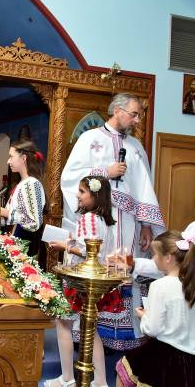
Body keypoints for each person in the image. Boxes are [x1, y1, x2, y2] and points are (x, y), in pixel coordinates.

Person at [61, 92, 165, 349]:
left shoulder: (136, 147)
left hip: (128, 224)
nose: (137, 120)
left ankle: (120, 338)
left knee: (124, 266)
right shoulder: (89, 139)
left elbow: (144, 187)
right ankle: (89, 335)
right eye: (134, 114)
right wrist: (104, 172)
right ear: (118, 111)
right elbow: (70, 177)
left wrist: (146, 225)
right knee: (97, 266)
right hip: (100, 223)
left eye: (139, 115)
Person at [115, 230, 195, 387]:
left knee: (123, 369)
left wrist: (144, 317)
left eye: (155, 255)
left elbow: (152, 329)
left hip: (166, 357)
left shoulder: (159, 286)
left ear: (168, 258)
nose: (153, 259)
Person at [46, 176, 118, 387]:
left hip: (80, 280)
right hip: (95, 282)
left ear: (95, 195)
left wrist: (65, 246)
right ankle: (101, 381)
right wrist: (71, 241)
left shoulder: (88, 218)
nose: (77, 195)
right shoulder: (104, 220)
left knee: (63, 324)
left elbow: (89, 250)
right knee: (91, 329)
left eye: (82, 191)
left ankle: (67, 378)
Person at [0, 140, 46, 260]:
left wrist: (3, 212)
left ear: (23, 158)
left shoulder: (31, 184)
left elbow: (33, 222)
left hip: (25, 248)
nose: (8, 161)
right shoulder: (23, 183)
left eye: (11, 157)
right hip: (15, 244)